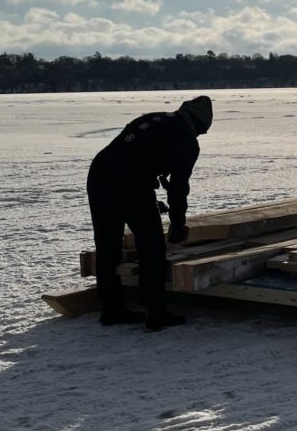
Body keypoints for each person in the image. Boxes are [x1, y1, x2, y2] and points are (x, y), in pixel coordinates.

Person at [86, 95, 212, 331]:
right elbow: (178, 189)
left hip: (99, 172)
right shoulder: (187, 141)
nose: (199, 136)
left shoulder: (156, 118)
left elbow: (136, 150)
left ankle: (111, 308)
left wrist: (148, 197)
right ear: (200, 124)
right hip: (128, 180)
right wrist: (176, 225)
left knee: (107, 242)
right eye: (202, 131)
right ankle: (156, 311)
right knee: (152, 245)